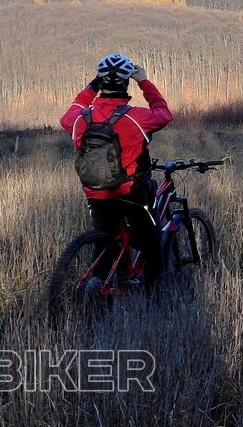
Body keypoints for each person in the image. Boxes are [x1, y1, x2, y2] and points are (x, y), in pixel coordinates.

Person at [59, 53, 173, 287]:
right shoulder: (136, 118)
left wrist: (92, 87)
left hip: (95, 193)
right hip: (131, 193)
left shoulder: (80, 119)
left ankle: (97, 285)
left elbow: (68, 115)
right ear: (126, 83)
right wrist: (144, 82)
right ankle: (155, 294)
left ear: (101, 82)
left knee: (105, 239)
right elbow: (164, 113)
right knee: (151, 241)